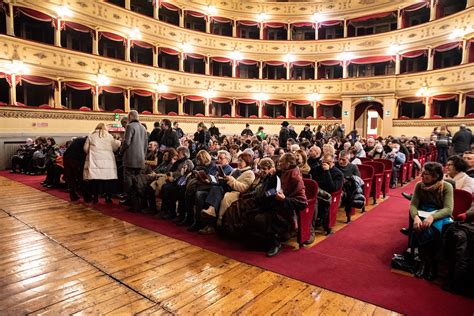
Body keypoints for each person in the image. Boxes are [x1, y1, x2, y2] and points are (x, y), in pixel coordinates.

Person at [253, 153, 307, 257]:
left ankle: (276, 243)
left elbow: (302, 203)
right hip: (274, 202)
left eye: (281, 162)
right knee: (252, 206)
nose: (278, 164)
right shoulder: (281, 172)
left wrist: (284, 199)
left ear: (287, 164)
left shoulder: (295, 178)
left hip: (285, 210)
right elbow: (276, 187)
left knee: (260, 218)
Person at [409, 162, 453, 280]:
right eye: (423, 173)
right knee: (419, 227)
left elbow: (448, 209)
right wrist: (416, 217)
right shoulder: (419, 185)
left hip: (440, 214)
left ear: (436, 176)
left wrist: (432, 217)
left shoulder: (446, 186)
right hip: (423, 212)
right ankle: (425, 263)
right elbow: (413, 205)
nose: (423, 176)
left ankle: (430, 264)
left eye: (427, 174)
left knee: (429, 230)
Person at [200, 152, 255, 234]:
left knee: (219, 193)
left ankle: (216, 222)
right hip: (228, 188)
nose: (238, 163)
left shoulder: (249, 173)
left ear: (247, 162)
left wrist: (231, 180)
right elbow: (228, 180)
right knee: (215, 189)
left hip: (235, 193)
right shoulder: (236, 170)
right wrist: (223, 178)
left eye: (241, 161)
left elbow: (244, 188)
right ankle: (211, 212)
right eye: (238, 160)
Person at [83, 123, 121, 203]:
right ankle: (108, 197)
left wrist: (91, 152)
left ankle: (95, 197)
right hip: (108, 160)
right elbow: (114, 148)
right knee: (107, 179)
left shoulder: (91, 136)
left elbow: (85, 148)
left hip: (94, 160)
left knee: (95, 180)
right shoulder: (109, 136)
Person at [120, 110, 148, 211]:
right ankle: (140, 204)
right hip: (140, 159)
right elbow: (145, 145)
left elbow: (127, 142)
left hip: (130, 159)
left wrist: (121, 152)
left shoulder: (130, 126)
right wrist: (143, 157)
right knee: (138, 182)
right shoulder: (143, 128)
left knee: (129, 182)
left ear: (131, 117)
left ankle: (133, 203)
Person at [311, 153, 344, 234]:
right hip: (317, 193)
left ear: (333, 162)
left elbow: (332, 188)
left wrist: (327, 171)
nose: (324, 164)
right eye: (323, 162)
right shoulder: (317, 169)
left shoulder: (338, 173)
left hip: (329, 196)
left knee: (318, 201)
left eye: (328, 162)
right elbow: (313, 182)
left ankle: (318, 222)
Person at [63, 136, 88, 202]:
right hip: (76, 161)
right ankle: (87, 198)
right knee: (81, 179)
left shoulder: (77, 139)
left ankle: (73, 196)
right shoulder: (86, 141)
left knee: (71, 179)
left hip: (67, 159)